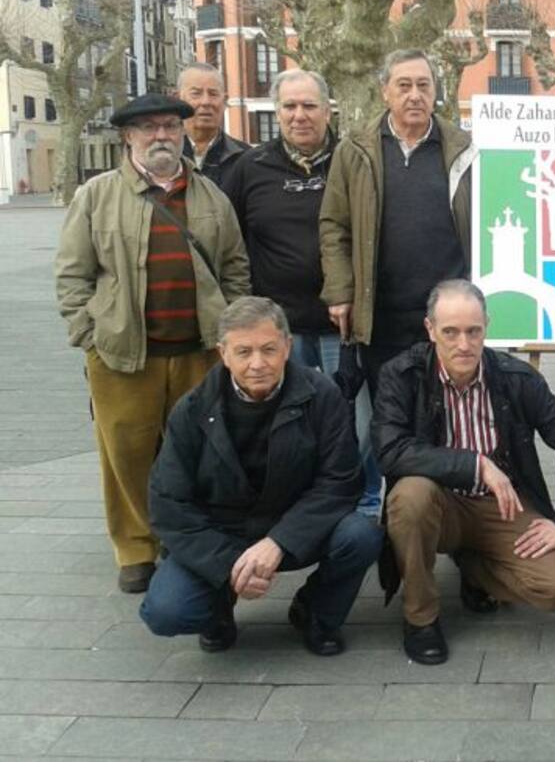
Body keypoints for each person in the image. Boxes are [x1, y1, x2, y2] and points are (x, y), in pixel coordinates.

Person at [54, 93, 250, 594]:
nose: (161, 135)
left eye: (169, 126)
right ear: (128, 137)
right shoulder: (96, 196)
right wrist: (88, 336)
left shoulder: (210, 197)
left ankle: (181, 538)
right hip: (122, 356)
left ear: (183, 133)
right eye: (148, 128)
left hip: (199, 353)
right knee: (126, 453)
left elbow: (234, 269)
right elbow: (72, 274)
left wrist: (232, 333)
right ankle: (136, 547)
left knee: (196, 452)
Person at [139, 297, 383, 655]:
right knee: (165, 612)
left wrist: (279, 542)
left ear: (287, 346)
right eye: (244, 352)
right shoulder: (192, 409)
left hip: (294, 527)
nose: (258, 364)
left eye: (269, 349)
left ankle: (316, 613)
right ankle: (217, 612)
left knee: (361, 535)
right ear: (223, 353)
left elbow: (340, 482)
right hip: (222, 533)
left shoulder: (322, 395)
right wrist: (227, 565)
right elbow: (168, 504)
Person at [372, 280, 555, 665]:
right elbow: (389, 451)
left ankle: (473, 568)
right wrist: (474, 464)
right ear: (430, 330)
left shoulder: (514, 377)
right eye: (450, 332)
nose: (464, 344)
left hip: (501, 506)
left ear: (487, 326)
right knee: (409, 495)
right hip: (437, 503)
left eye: (473, 331)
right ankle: (421, 618)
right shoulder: (402, 374)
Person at [221, 69, 382, 515]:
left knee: (356, 422)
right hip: (277, 330)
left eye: (309, 105)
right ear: (277, 112)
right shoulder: (248, 168)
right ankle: (296, 505)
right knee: (285, 419)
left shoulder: (354, 161)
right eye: (289, 107)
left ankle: (366, 502)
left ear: (328, 110)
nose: (299, 116)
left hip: (342, 324)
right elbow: (227, 242)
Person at [319, 48, 477, 393]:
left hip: (448, 319)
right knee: (390, 420)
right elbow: (334, 226)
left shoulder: (465, 149)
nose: (415, 95)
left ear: (436, 91)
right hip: (381, 317)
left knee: (447, 415)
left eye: (424, 85)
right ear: (384, 92)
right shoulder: (355, 150)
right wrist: (340, 291)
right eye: (404, 85)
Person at [177, 62, 248, 188]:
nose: (205, 102)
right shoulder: (165, 155)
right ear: (178, 99)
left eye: (213, 94)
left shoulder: (246, 159)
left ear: (225, 101)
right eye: (196, 94)